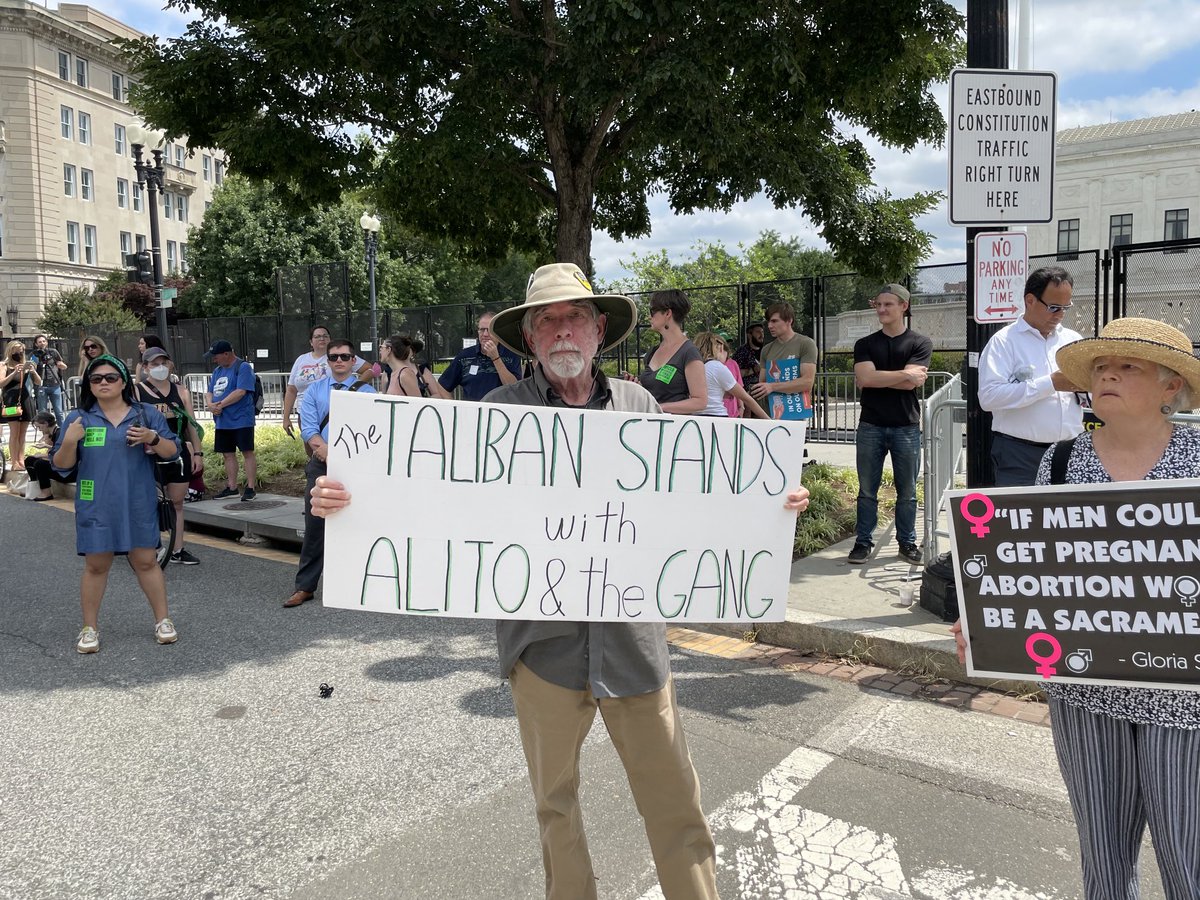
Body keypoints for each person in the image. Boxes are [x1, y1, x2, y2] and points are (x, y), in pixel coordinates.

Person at [312, 263, 811, 900]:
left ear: (599, 329)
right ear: (531, 337)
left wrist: (766, 505)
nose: (562, 329)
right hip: (541, 650)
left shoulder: (639, 405)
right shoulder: (498, 414)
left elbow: (688, 504)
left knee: (675, 804)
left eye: (574, 315)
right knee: (556, 807)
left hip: (633, 646)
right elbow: (439, 505)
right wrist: (353, 502)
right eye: (547, 319)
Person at [953, 317, 1200, 899]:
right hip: (1085, 691)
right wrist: (987, 617)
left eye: (1128, 366)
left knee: (1188, 856)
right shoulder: (1061, 463)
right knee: (1104, 855)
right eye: (1100, 368)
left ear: (1171, 386)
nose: (1107, 375)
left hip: (1186, 699)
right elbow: (1034, 571)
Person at [51, 354, 181, 654]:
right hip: (95, 502)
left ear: (124, 381)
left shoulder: (145, 414)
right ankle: (89, 628)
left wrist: (152, 437)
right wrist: (70, 441)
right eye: (96, 379)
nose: (104, 383)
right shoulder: (78, 418)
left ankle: (163, 620)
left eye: (111, 377)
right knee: (96, 565)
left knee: (146, 561)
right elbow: (61, 466)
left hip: (137, 498)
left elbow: (172, 450)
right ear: (89, 385)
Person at [284, 339, 376, 608]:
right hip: (322, 463)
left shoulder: (368, 392)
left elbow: (374, 428)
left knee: (360, 522)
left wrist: (348, 459)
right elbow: (309, 427)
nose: (339, 361)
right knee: (316, 525)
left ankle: (360, 583)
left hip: (359, 467)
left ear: (353, 361)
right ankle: (305, 587)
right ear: (328, 361)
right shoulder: (314, 391)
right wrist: (324, 451)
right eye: (334, 357)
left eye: (345, 357)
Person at [848, 284, 932, 565]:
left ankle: (906, 543)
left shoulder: (920, 343)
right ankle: (863, 542)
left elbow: (876, 378)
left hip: (906, 427)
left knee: (907, 491)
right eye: (878, 304)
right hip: (870, 425)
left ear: (903, 306)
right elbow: (866, 379)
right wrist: (904, 377)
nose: (882, 309)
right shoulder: (865, 344)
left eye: (888, 304)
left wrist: (878, 377)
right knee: (866, 490)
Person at [978, 266, 1085, 486]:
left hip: (1070, 450)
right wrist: (1051, 383)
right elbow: (989, 398)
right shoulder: (1004, 342)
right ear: (1030, 300)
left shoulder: (1073, 340)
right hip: (1020, 454)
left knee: (1069, 518)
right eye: (1054, 307)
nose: (1060, 315)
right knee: (1022, 519)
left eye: (1066, 308)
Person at [136, 346, 204, 565]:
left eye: (163, 363)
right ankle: (152, 546)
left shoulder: (181, 391)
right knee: (150, 501)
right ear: (145, 368)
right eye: (154, 364)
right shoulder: (137, 391)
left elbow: (191, 425)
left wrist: (197, 452)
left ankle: (178, 549)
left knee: (177, 502)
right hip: (148, 453)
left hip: (177, 452)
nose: (160, 368)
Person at [282, 325, 371, 448]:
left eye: (325, 336)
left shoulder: (339, 355)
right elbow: (291, 389)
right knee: (312, 449)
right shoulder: (301, 360)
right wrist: (286, 417)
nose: (322, 339)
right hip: (306, 412)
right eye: (317, 336)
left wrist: (354, 387)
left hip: (333, 409)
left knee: (339, 445)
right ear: (310, 342)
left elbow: (370, 369)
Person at [636, 289, 707, 414]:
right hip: (649, 426)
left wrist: (659, 408)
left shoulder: (689, 352)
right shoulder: (652, 352)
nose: (649, 317)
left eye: (652, 311)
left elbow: (700, 401)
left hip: (675, 429)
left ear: (667, 313)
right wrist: (635, 386)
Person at [204, 339, 258, 501]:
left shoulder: (243, 367)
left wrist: (219, 405)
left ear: (226, 354)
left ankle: (250, 488)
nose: (214, 359)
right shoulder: (217, 371)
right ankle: (232, 487)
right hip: (222, 421)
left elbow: (241, 391)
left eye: (216, 356)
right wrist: (210, 405)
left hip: (242, 419)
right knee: (227, 454)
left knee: (247, 452)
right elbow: (209, 391)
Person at [426, 312, 521, 401]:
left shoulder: (511, 354)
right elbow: (442, 386)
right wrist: (455, 408)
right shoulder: (465, 356)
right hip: (473, 416)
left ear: (498, 331)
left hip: (500, 414)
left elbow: (514, 388)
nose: (485, 334)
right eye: (482, 330)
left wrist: (496, 358)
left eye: (489, 330)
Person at [750, 302, 817, 420]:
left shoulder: (806, 344)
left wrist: (772, 387)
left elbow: (807, 382)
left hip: (795, 413)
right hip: (770, 415)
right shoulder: (766, 350)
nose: (770, 326)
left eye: (774, 321)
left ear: (789, 321)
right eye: (769, 321)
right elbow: (763, 384)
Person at [693, 331, 768, 420]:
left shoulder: (694, 368)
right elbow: (746, 398)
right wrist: (768, 420)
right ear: (720, 348)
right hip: (717, 416)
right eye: (727, 355)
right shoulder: (717, 367)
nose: (726, 360)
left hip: (697, 418)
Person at [1, 340, 38, 469]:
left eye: (21, 350)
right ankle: (14, 462)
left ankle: (21, 460)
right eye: (15, 350)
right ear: (10, 351)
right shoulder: (4, 365)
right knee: (14, 432)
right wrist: (14, 373)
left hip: (25, 398)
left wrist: (32, 371)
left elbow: (38, 382)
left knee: (23, 433)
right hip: (11, 399)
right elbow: (1, 383)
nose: (18, 353)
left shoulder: (25, 365)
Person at [24, 411, 67, 501]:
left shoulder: (59, 433)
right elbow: (58, 449)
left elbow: (61, 454)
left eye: (39, 427)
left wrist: (41, 455)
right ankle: (34, 488)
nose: (40, 430)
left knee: (40, 464)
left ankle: (46, 492)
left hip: (66, 472)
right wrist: (46, 446)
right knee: (29, 460)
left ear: (46, 423)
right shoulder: (56, 433)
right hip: (61, 467)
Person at [30, 335, 67, 423]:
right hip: (41, 386)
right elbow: (31, 368)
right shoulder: (34, 354)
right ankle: (46, 433)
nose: (42, 343)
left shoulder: (53, 352)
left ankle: (61, 432)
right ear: (36, 344)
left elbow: (62, 364)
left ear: (46, 342)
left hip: (55, 385)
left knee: (59, 412)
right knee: (42, 413)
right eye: (39, 342)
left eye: (44, 341)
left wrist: (62, 365)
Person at [715, 331, 745, 417]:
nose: (725, 347)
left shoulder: (733, 363)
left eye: (727, 343)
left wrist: (741, 407)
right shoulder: (711, 364)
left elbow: (739, 387)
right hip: (718, 412)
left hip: (733, 412)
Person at [732, 321, 766, 395]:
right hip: (748, 392)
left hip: (766, 390)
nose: (762, 335)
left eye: (762, 332)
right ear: (749, 335)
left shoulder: (767, 350)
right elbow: (733, 373)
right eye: (758, 332)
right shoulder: (741, 352)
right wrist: (753, 370)